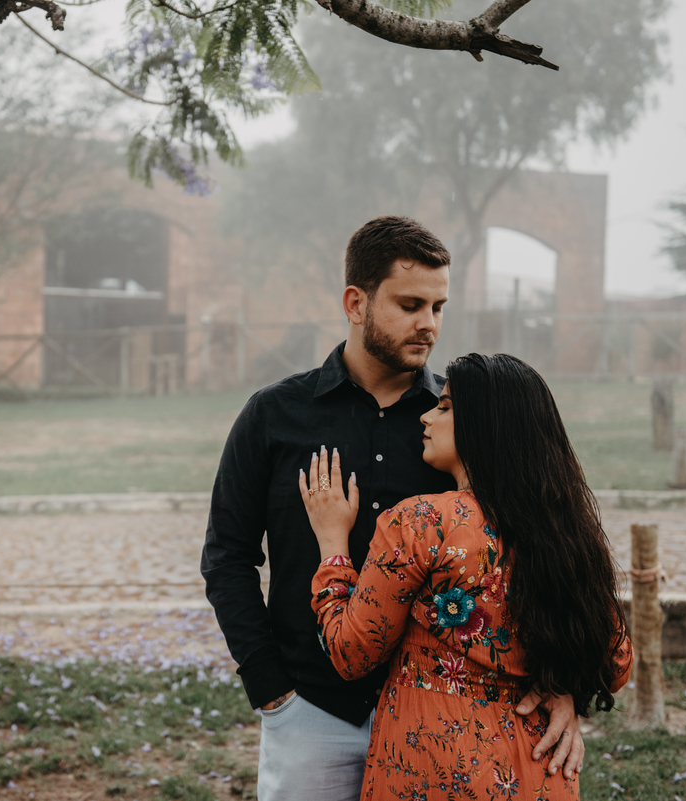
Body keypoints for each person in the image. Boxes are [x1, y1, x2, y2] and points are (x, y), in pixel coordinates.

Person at [201, 217, 585, 801]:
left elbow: (536, 548)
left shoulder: (460, 424)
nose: (428, 324)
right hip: (311, 712)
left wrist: (558, 681)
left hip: (440, 721)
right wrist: (270, 689)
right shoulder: (275, 415)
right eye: (410, 304)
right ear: (356, 303)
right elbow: (226, 557)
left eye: (438, 306)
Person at [301, 353, 633, 799]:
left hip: (434, 771)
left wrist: (332, 544)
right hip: (538, 771)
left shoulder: (421, 524)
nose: (426, 415)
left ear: (484, 424)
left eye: (444, 406)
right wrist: (563, 689)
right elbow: (615, 662)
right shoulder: (566, 535)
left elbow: (352, 653)